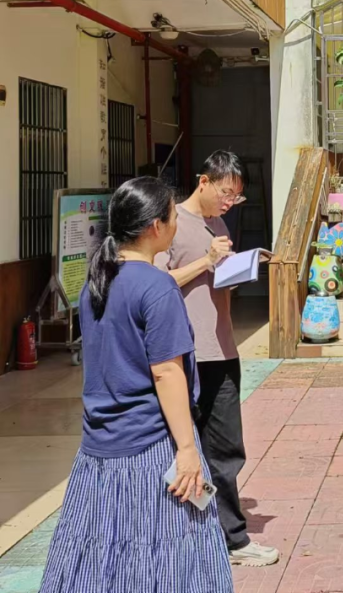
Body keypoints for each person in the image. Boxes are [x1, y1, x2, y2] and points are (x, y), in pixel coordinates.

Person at [41, 177, 232, 592]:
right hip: (150, 447)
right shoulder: (157, 286)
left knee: (99, 556)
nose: (176, 222)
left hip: (98, 449)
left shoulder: (96, 283)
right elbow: (167, 373)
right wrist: (187, 450)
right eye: (172, 215)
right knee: (165, 555)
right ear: (155, 227)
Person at [155, 151, 278, 567]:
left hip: (222, 347)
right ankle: (203, 535)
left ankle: (229, 537)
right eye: (225, 193)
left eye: (236, 198)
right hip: (185, 353)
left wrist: (239, 268)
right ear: (203, 181)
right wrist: (206, 261)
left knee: (226, 449)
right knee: (181, 448)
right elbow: (157, 282)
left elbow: (212, 282)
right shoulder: (170, 222)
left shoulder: (219, 224)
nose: (229, 203)